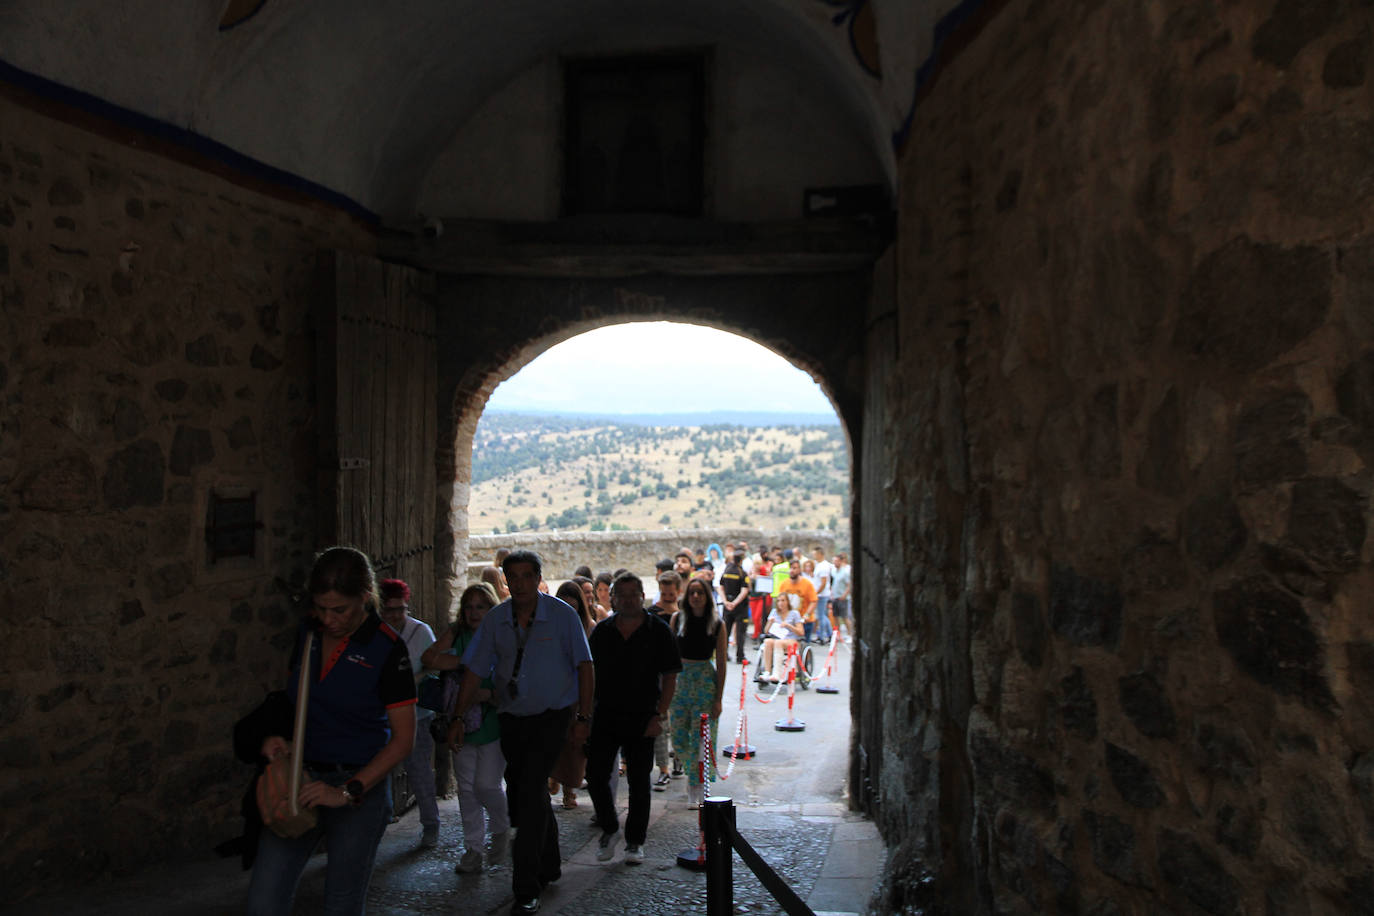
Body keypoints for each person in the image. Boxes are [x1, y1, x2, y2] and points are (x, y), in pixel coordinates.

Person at [246, 546, 417, 916]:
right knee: (264, 900)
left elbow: (403, 740)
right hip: (301, 777)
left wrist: (346, 791)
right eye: (321, 608)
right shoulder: (308, 632)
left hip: (358, 787)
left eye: (339, 609)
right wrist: (281, 737)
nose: (329, 619)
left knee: (341, 902)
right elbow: (298, 698)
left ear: (365, 598)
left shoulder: (387, 649)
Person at [447, 550, 593, 916]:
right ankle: (552, 862)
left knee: (526, 795)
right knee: (527, 790)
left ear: (538, 578)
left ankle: (526, 888)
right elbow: (475, 671)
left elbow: (585, 665)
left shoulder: (562, 616)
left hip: (552, 718)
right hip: (513, 719)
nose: (522, 583)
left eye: (529, 575)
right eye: (515, 576)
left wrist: (583, 718)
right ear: (506, 580)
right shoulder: (496, 621)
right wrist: (458, 716)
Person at [586, 572, 682, 866]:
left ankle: (634, 841)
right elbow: (588, 676)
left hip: (643, 715)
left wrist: (660, 714)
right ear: (613, 598)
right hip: (606, 714)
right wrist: (584, 714)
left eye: (633, 593)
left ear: (642, 596)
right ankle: (611, 827)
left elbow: (669, 677)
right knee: (595, 775)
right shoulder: (602, 632)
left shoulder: (658, 631)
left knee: (640, 782)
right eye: (621, 594)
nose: (627, 599)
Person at [421, 583, 510, 874]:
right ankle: (473, 849)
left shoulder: (500, 635)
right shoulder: (458, 632)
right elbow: (430, 657)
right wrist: (467, 662)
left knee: (487, 785)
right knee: (467, 790)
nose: (474, 612)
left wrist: (485, 691)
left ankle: (502, 829)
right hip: (459, 720)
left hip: (491, 720)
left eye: (480, 606)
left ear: (491, 608)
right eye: (469, 606)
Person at [378, 578, 440, 847]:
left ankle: (431, 825)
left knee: (419, 771)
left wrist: (415, 680)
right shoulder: (375, 634)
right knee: (378, 772)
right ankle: (379, 821)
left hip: (418, 715)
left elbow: (437, 667)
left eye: (400, 610)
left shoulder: (421, 633)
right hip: (381, 715)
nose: (394, 616)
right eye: (389, 610)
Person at [669, 577, 727, 808]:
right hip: (682, 679)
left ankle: (699, 785)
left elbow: (721, 662)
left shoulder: (717, 623)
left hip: (704, 680)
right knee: (679, 735)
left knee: (703, 735)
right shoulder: (677, 619)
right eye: (692, 592)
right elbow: (669, 656)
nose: (695, 597)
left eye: (700, 593)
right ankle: (692, 775)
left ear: (707, 596)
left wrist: (719, 698)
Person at [549, 580, 594, 809]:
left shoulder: (590, 628)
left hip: (579, 695)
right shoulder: (549, 630)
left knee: (575, 745)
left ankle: (569, 790)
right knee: (556, 741)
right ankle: (555, 777)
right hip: (556, 693)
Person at [649, 570, 682, 788]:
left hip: (680, 671)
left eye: (671, 594)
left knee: (677, 719)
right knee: (660, 718)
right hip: (657, 670)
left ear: (678, 592)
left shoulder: (684, 614)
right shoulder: (652, 612)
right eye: (664, 594)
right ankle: (663, 768)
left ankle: (678, 759)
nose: (667, 598)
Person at [765, 562, 814, 681]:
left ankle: (798, 671)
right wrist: (771, 622)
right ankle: (767, 671)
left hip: (800, 619)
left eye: (795, 568)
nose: (792, 570)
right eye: (791, 568)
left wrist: (806, 614)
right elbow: (766, 630)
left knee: (803, 645)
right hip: (779, 636)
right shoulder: (784, 585)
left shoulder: (806, 584)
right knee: (768, 642)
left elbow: (813, 600)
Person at [719, 548, 750, 664]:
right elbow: (744, 590)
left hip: (727, 605)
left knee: (725, 631)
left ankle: (724, 654)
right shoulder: (742, 573)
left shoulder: (727, 571)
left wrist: (726, 601)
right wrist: (735, 603)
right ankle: (740, 655)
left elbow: (720, 587)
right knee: (740, 632)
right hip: (740, 607)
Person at [811, 546, 834, 644]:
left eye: (815, 554)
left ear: (820, 554)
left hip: (822, 595)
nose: (814, 556)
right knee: (822, 615)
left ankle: (823, 635)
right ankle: (829, 634)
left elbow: (823, 583)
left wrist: (816, 593)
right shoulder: (819, 565)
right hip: (820, 594)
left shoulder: (824, 567)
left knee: (821, 616)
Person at [830, 552, 852, 639]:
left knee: (844, 617)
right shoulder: (833, 572)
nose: (835, 563)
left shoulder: (845, 572)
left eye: (836, 561)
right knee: (835, 617)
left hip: (842, 598)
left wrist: (844, 595)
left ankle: (850, 634)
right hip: (835, 596)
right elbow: (832, 583)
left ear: (840, 561)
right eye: (834, 561)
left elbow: (849, 585)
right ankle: (837, 634)